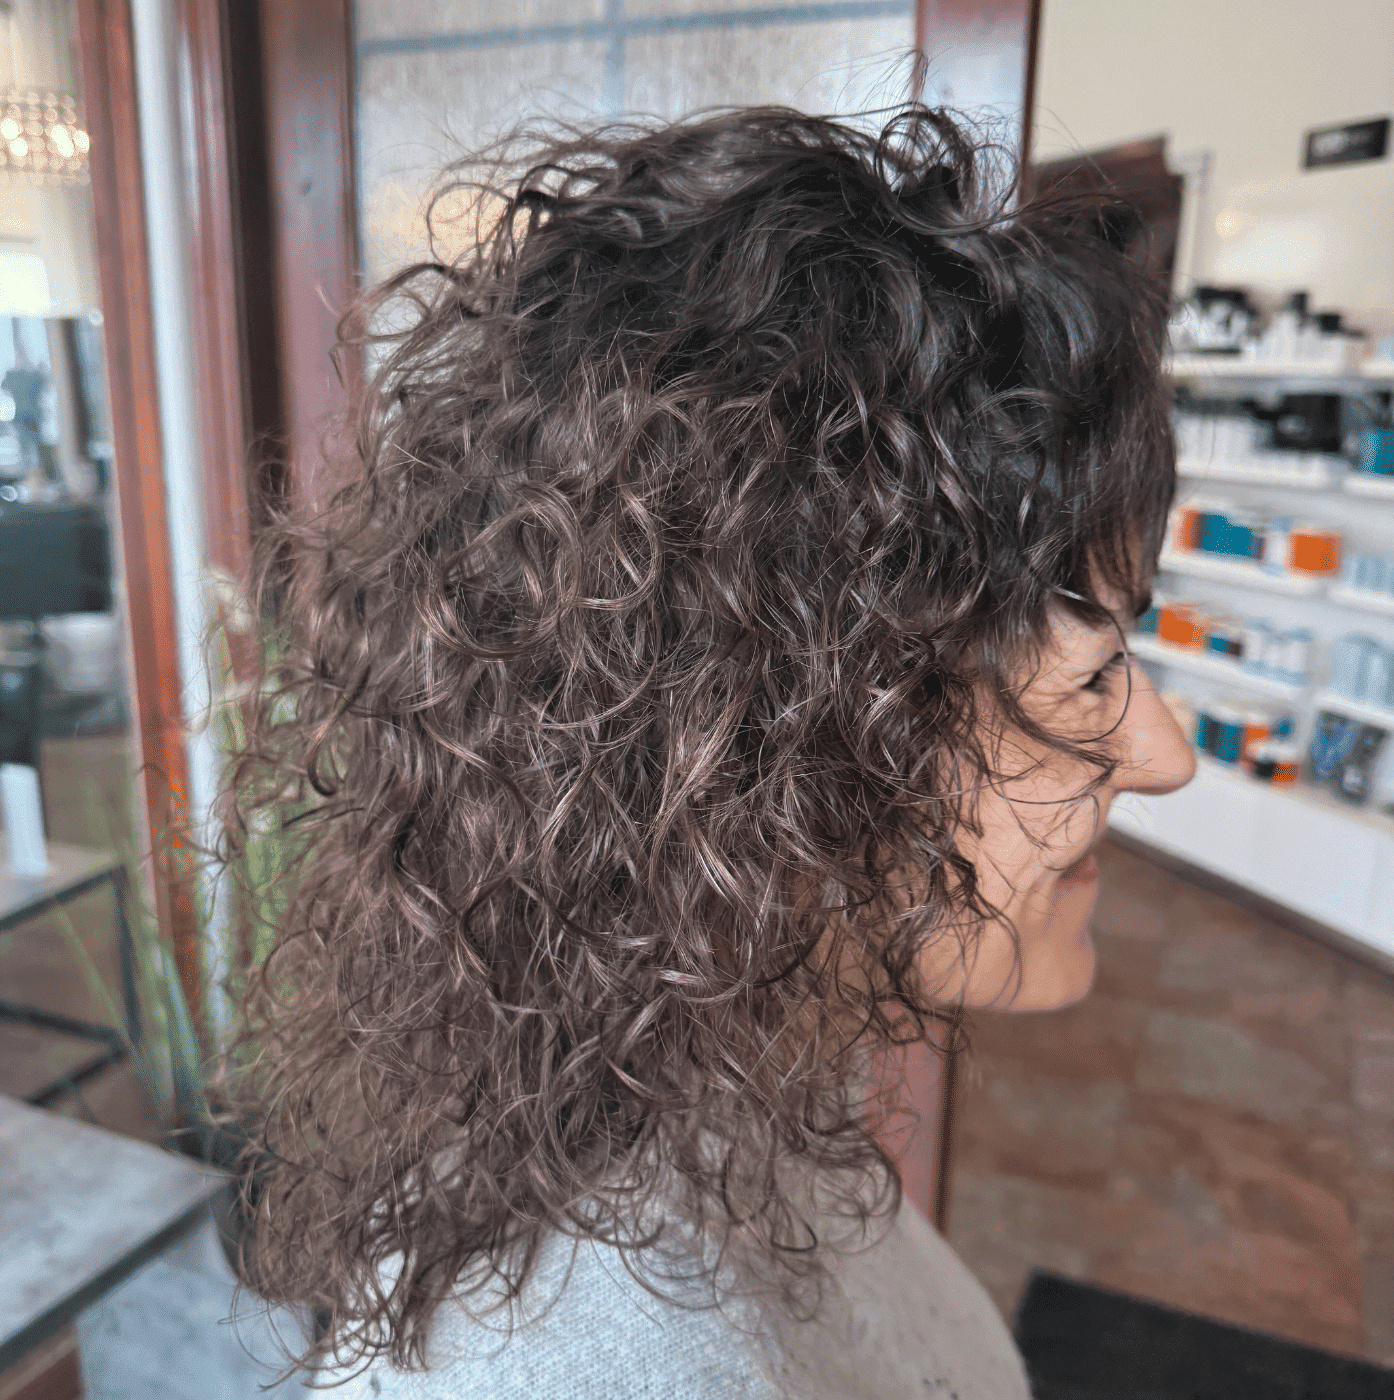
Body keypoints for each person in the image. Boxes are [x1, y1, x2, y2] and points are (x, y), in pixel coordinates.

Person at [220, 103, 1196, 1397]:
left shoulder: (728, 1091)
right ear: (771, 729)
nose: (1163, 754)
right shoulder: (599, 1364)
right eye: (1094, 676)